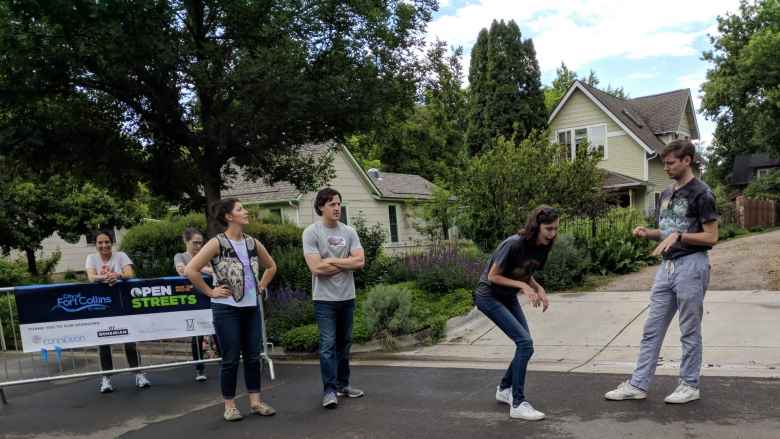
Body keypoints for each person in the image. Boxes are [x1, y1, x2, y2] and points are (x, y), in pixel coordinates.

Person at [605, 139, 719, 405]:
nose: (665, 168)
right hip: (666, 268)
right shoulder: (666, 194)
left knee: (689, 329)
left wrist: (681, 235)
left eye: (670, 163)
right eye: (664, 163)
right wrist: (649, 233)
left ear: (687, 161)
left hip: (692, 265)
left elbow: (712, 237)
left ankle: (689, 385)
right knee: (651, 329)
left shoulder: (702, 193)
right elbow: (668, 231)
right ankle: (638, 384)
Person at [185, 199, 278, 422]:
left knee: (253, 356)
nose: (245, 212)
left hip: (251, 308)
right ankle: (230, 406)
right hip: (226, 310)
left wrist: (261, 287)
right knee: (230, 358)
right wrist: (210, 292)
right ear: (228, 216)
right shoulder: (217, 243)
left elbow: (271, 266)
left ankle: (255, 402)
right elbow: (191, 270)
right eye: (240, 209)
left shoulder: (252, 243)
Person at [474, 206, 559, 421]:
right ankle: (518, 403)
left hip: (507, 296)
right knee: (525, 344)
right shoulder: (514, 244)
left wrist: (538, 288)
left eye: (556, 228)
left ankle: (505, 389)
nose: (552, 234)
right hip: (489, 296)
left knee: (525, 346)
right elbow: (493, 276)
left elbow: (524, 273)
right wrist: (523, 287)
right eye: (548, 229)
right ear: (536, 226)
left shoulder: (543, 247)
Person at [302, 188, 366, 409]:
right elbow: (316, 268)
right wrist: (345, 261)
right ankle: (329, 390)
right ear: (321, 207)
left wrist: (331, 261)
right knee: (328, 345)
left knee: (344, 344)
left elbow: (360, 262)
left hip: (347, 297)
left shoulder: (349, 231)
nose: (337, 208)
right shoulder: (311, 232)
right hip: (324, 300)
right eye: (331, 204)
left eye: (338, 203)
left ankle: (343, 385)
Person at [85, 230, 151, 394]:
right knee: (104, 343)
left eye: (107, 241)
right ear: (96, 244)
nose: (104, 245)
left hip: (122, 305)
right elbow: (91, 277)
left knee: (129, 340)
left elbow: (129, 273)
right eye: (100, 242)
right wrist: (106, 278)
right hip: (102, 306)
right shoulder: (91, 258)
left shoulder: (121, 255)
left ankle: (138, 374)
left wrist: (117, 276)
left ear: (112, 242)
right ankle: (106, 378)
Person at [174, 227, 218, 382]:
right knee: (197, 335)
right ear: (186, 241)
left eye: (201, 243)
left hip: (210, 296)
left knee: (217, 330)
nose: (199, 246)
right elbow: (182, 271)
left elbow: (216, 270)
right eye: (195, 243)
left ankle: (225, 362)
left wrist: (197, 269)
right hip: (192, 300)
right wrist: (204, 270)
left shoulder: (206, 255)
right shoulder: (180, 256)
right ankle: (200, 368)